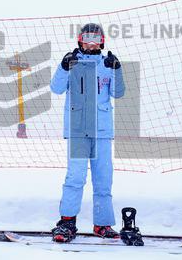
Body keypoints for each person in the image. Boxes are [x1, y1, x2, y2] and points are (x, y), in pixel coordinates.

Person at [48, 23, 125, 242]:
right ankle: (67, 223)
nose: (91, 43)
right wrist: (63, 67)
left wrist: (117, 70)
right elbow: (56, 88)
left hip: (101, 131)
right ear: (79, 41)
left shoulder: (107, 65)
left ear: (102, 42)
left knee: (103, 178)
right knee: (75, 177)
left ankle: (102, 224)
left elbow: (118, 93)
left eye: (95, 39)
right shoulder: (72, 63)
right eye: (87, 38)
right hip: (78, 130)